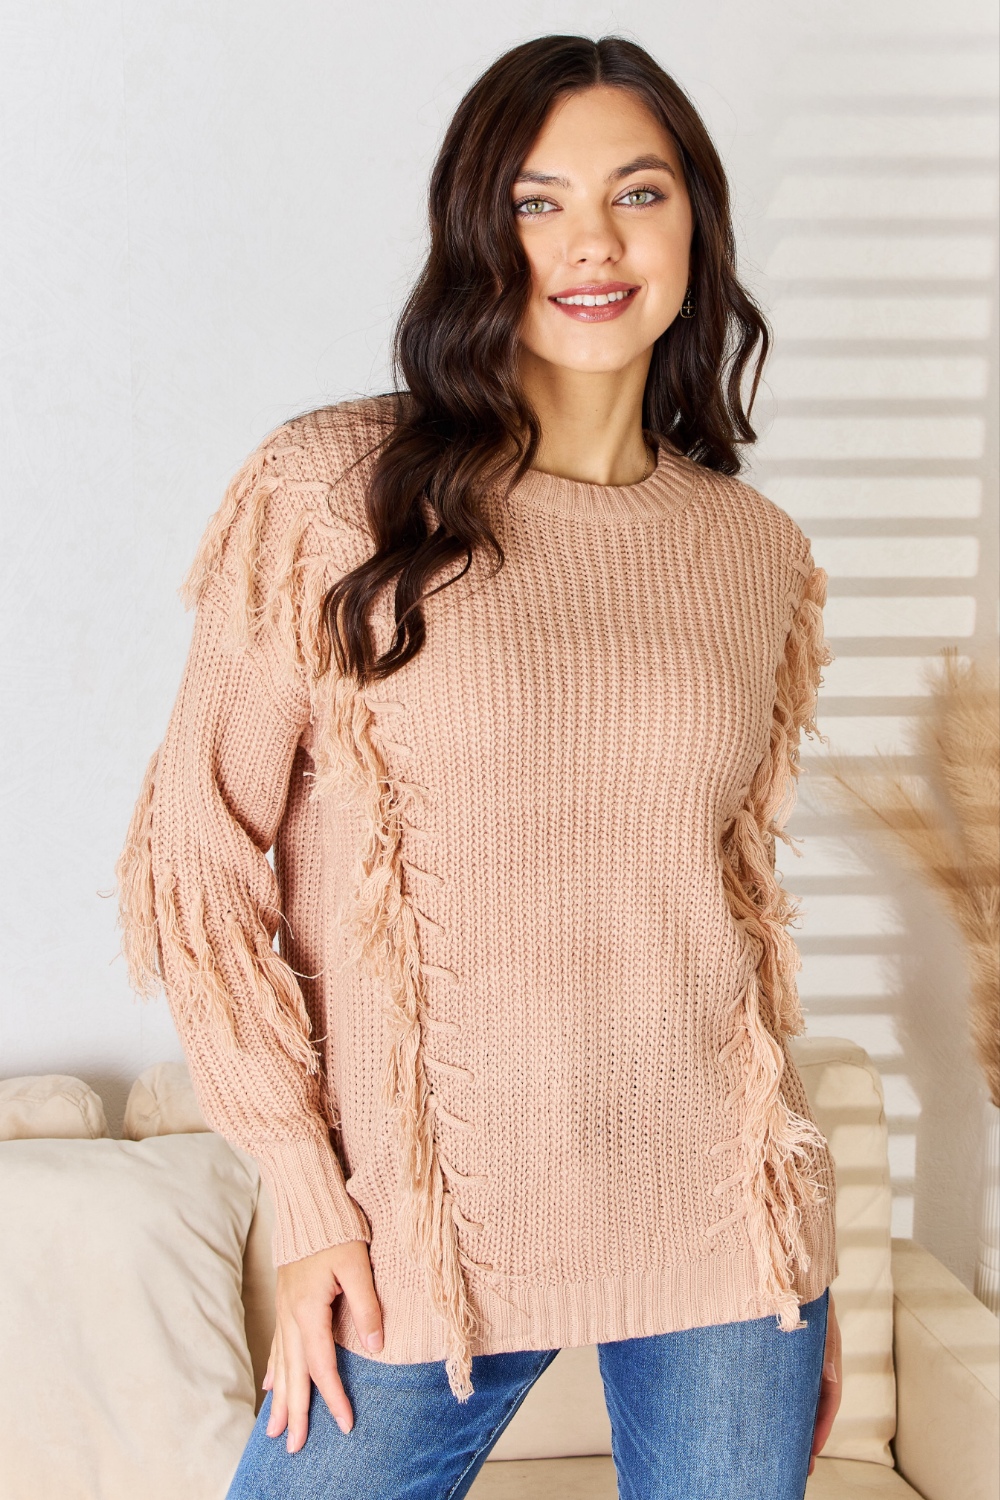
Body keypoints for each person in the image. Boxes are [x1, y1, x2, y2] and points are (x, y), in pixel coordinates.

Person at [117, 33, 843, 1500]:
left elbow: (736, 905)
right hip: (422, 1227)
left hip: (723, 1225)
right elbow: (194, 863)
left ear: (695, 227)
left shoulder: (751, 553)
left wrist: (801, 1251)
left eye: (638, 192)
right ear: (476, 231)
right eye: (536, 200)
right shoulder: (332, 491)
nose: (592, 242)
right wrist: (311, 1201)